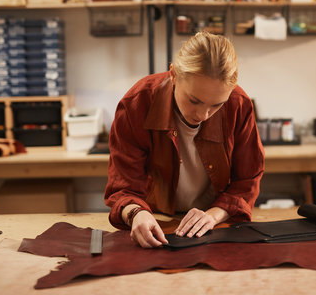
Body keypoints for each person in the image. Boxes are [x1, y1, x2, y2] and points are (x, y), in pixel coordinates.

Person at [104, 31, 264, 248]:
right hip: (155, 222)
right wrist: (136, 214)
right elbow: (123, 187)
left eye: (217, 105)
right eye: (194, 100)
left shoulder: (238, 104)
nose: (203, 115)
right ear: (173, 75)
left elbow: (247, 180)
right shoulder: (137, 104)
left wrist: (213, 216)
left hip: (214, 224)